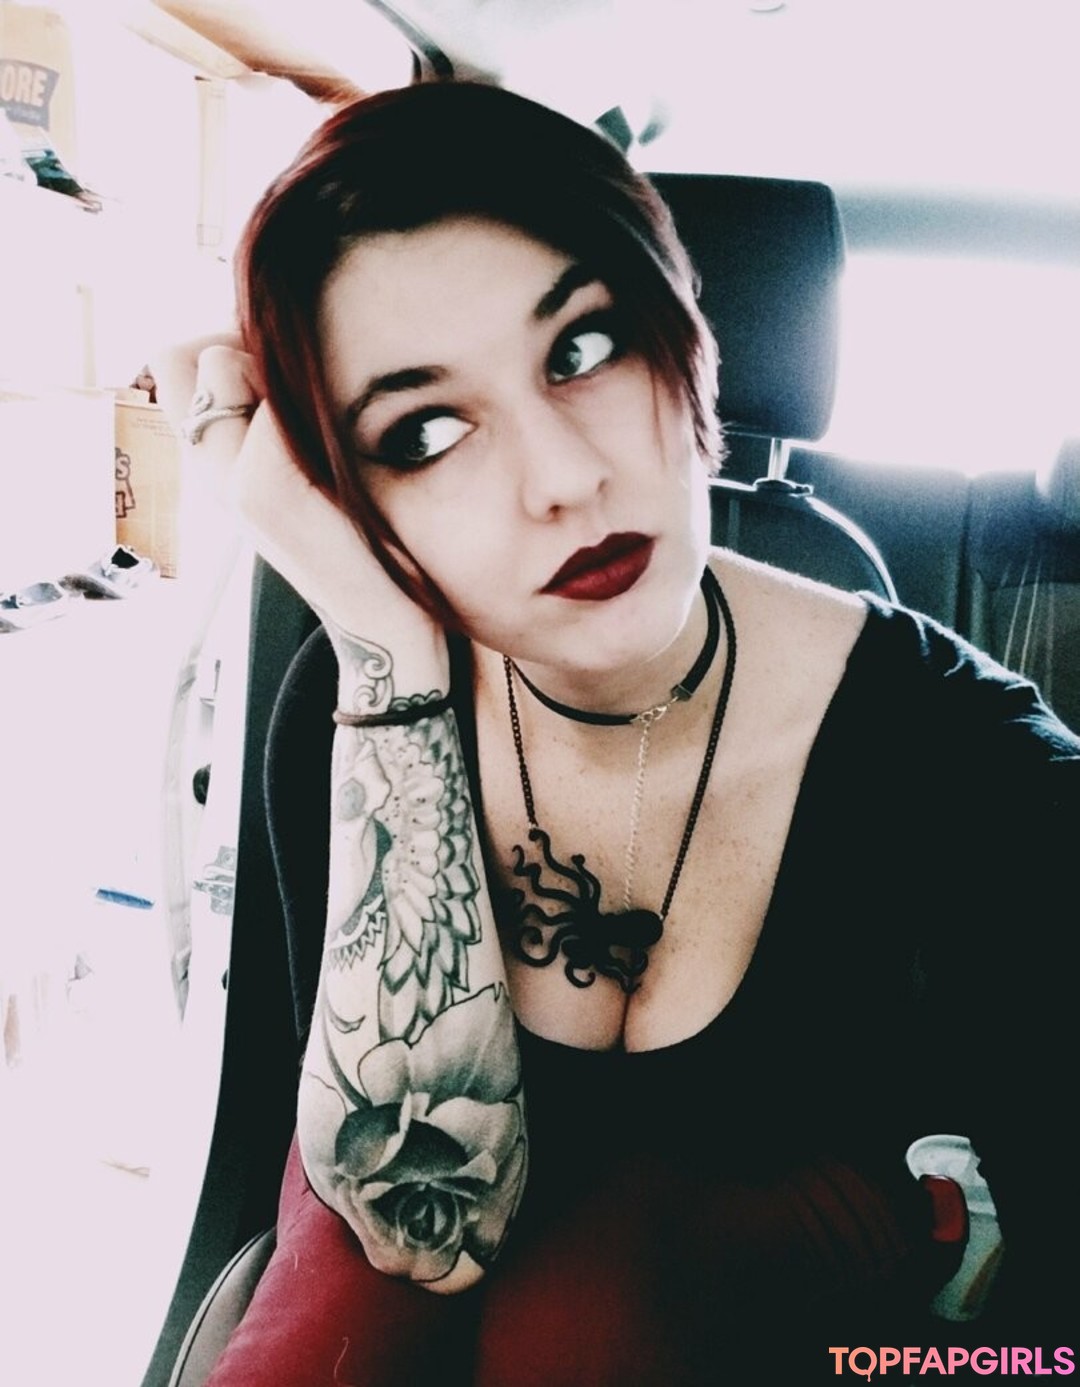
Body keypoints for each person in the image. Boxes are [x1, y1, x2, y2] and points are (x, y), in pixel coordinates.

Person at [153, 80, 1078, 1386]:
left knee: (587, 1322)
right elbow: (417, 1234)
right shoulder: (353, 699)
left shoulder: (975, 766)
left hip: (800, 1260)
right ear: (350, 497)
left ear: (680, 335)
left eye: (584, 349)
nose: (565, 478)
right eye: (423, 432)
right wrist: (391, 674)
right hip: (441, 1204)